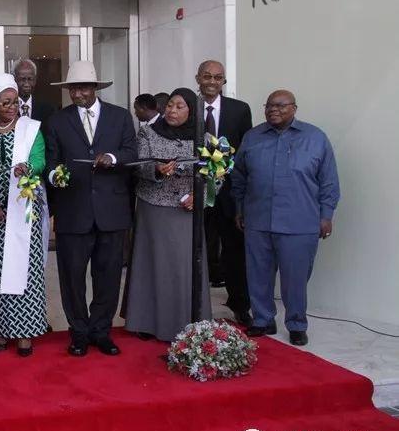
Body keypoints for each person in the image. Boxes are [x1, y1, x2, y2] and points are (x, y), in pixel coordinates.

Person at [231, 90, 340, 347]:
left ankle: (297, 324)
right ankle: (263, 320)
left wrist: (326, 215)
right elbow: (239, 177)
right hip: (257, 220)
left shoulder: (315, 138)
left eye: (280, 105)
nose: (273, 110)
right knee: (257, 274)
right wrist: (239, 208)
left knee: (296, 278)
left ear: (294, 108)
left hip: (300, 222)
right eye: (269, 106)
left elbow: (329, 182)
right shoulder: (253, 137)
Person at [44, 60, 137, 357]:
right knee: (72, 278)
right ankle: (79, 333)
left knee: (108, 276)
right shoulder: (58, 121)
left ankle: (101, 331)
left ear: (95, 88)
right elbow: (51, 160)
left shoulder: (120, 117)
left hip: (112, 211)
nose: (77, 94)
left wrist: (111, 156)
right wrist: (54, 175)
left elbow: (132, 152)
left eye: (82, 88)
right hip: (73, 211)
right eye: (73, 89)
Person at [124, 88, 211, 341]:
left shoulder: (203, 137)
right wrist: (158, 169)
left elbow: (217, 173)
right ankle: (147, 322)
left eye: (180, 106)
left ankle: (188, 321)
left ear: (191, 111)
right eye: (170, 105)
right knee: (152, 266)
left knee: (184, 267)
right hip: (154, 209)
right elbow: (139, 164)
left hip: (187, 211)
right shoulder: (149, 132)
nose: (172, 111)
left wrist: (200, 195)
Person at [0, 73, 48, 356]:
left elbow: (40, 158)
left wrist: (29, 168)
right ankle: (3, 332)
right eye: (5, 103)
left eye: (14, 102)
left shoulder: (30, 128)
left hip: (23, 206)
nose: (11, 107)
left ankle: (26, 333)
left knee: (26, 271)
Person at [195, 60, 254, 325]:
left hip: (229, 194)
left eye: (218, 77)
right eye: (207, 76)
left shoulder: (239, 110)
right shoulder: (187, 106)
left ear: (224, 82)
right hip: (194, 192)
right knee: (195, 248)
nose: (212, 81)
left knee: (234, 251)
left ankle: (240, 304)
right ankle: (192, 305)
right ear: (198, 78)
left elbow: (245, 151)